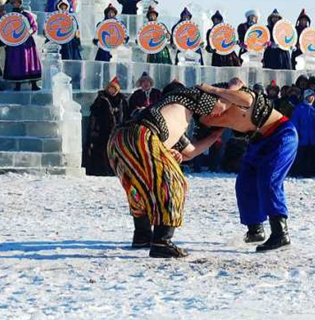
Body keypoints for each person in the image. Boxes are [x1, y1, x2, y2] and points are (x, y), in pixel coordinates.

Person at [107, 83, 228, 257]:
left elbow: (190, 152)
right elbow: (220, 107)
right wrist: (230, 91)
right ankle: (161, 241)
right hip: (142, 134)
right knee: (172, 183)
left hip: (119, 140)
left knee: (138, 186)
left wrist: (215, 135)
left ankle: (142, 235)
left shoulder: (170, 119)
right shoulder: (187, 94)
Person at [198, 80, 298, 252]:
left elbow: (246, 100)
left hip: (281, 134)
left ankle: (281, 233)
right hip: (257, 141)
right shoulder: (214, 115)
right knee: (245, 182)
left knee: (269, 180)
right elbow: (206, 124)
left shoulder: (241, 97)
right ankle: (255, 229)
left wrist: (215, 90)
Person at [87, 77, 129, 177]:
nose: (112, 90)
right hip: (104, 130)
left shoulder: (122, 100)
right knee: (104, 151)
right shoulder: (101, 99)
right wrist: (93, 129)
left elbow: (126, 115)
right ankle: (103, 170)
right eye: (110, 88)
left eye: (114, 89)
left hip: (118, 130)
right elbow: (94, 114)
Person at [3, 0, 42, 91]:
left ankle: (34, 84)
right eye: (14, 2)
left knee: (29, 61)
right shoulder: (9, 16)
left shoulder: (27, 15)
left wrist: (27, 33)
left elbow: (34, 27)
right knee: (16, 62)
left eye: (18, 2)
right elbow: (5, 28)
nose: (16, 4)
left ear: (20, 3)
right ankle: (17, 85)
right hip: (14, 42)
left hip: (26, 42)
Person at [291, 89, 315, 176]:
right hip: (302, 136)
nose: (312, 98)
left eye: (313, 96)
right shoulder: (299, 108)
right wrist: (297, 134)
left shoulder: (314, 108)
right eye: (310, 96)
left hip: (312, 137)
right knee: (301, 155)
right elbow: (295, 122)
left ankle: (309, 172)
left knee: (310, 155)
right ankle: (299, 171)